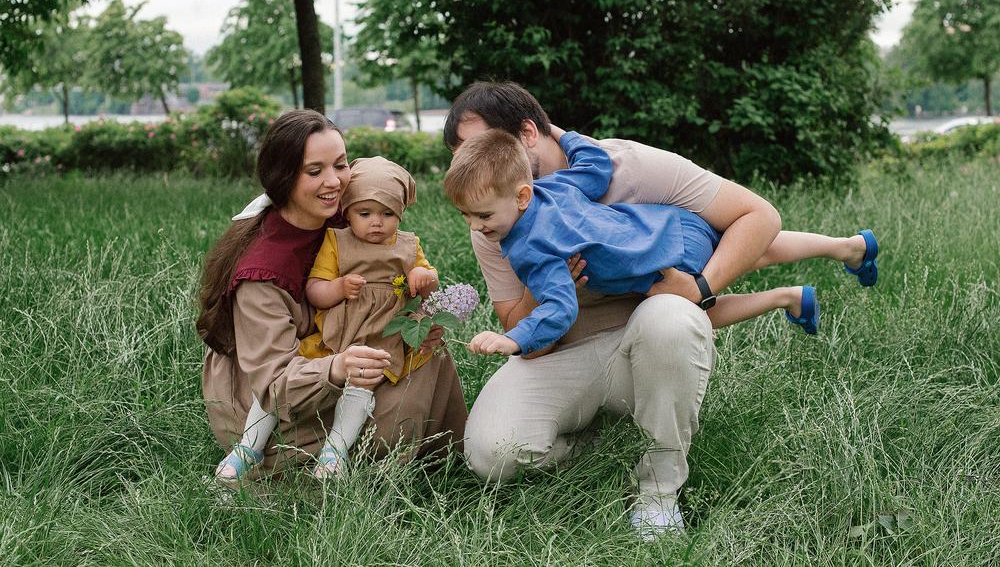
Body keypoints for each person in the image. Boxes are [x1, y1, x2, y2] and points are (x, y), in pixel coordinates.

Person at [443, 81, 877, 538]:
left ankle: (659, 490)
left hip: (654, 335)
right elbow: (523, 335)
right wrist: (548, 282)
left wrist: (699, 287)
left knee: (669, 314)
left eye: (482, 148)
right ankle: (610, 444)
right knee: (491, 454)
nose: (472, 168)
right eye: (462, 158)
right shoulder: (491, 213)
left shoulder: (629, 167)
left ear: (529, 133)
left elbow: (760, 218)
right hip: (568, 348)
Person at [199, 110, 467, 483]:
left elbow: (386, 290)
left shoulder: (345, 221)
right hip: (267, 397)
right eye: (314, 171)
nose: (334, 182)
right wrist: (338, 367)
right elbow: (273, 383)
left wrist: (415, 321)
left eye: (340, 165)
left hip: (339, 349)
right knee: (386, 416)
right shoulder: (262, 271)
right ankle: (293, 472)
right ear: (284, 177)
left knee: (424, 356)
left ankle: (447, 464)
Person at [443, 129, 879, 357]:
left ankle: (787, 297)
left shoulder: (531, 249)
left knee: (686, 308)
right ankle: (846, 248)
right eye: (465, 215)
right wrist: (564, 134)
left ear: (521, 196)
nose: (476, 227)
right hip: (670, 224)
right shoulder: (552, 189)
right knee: (755, 248)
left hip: (669, 260)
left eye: (482, 216)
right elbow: (594, 163)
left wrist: (516, 340)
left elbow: (560, 309)